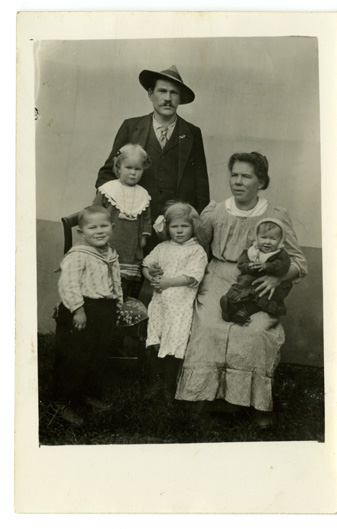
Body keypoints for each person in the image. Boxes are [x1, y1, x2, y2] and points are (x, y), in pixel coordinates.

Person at [175, 152, 308, 429]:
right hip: (218, 278)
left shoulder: (275, 216)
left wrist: (276, 277)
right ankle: (203, 396)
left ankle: (256, 404)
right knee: (210, 326)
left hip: (257, 285)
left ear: (261, 182)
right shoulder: (216, 212)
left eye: (246, 176)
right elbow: (193, 242)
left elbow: (299, 262)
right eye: (234, 175)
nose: (238, 181)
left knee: (256, 330)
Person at [95, 65, 210, 254]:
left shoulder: (192, 133)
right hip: (134, 226)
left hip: (176, 227)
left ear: (179, 98)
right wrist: (114, 213)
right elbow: (107, 174)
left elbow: (201, 184)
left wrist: (195, 225)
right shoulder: (132, 127)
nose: (167, 98)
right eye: (162, 91)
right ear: (150, 94)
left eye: (174, 93)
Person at [52, 206, 123, 426]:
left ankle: (87, 393)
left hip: (104, 309)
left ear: (112, 227)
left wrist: (117, 305)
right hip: (81, 310)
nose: (99, 231)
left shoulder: (110, 253)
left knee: (97, 354)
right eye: (92, 227)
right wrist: (78, 310)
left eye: (104, 225)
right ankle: (61, 400)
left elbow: (115, 281)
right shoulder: (79, 255)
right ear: (82, 232)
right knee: (75, 356)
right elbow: (69, 284)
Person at [142, 202, 208, 405]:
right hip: (160, 304)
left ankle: (169, 386)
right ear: (167, 228)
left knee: (174, 345)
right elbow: (145, 264)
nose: (179, 231)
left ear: (193, 227)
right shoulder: (162, 248)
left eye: (184, 226)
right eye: (174, 227)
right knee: (157, 341)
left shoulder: (196, 251)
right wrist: (150, 274)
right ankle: (156, 383)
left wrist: (167, 282)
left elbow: (191, 277)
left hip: (179, 307)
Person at [93, 143, 152, 299]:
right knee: (105, 275)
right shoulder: (108, 189)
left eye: (137, 169)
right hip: (110, 240)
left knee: (125, 278)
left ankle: (120, 300)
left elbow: (146, 217)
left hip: (131, 243)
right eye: (128, 168)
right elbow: (95, 212)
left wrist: (144, 236)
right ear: (118, 168)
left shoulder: (143, 194)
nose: (133, 173)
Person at [220, 218, 293, 325]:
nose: (267, 242)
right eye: (263, 237)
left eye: (273, 239)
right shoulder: (252, 251)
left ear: (281, 240)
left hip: (270, 283)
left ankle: (243, 312)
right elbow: (241, 263)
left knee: (265, 297)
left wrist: (267, 266)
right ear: (257, 238)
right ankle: (231, 307)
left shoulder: (280, 254)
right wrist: (249, 266)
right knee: (243, 287)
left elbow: (283, 266)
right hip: (251, 280)